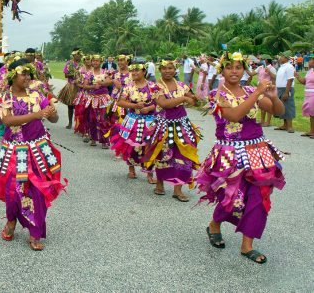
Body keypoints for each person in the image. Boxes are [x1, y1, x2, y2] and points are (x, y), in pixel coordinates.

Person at [197, 51, 285, 264]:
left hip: (257, 151)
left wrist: (273, 97)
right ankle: (214, 225)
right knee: (232, 197)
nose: (234, 71)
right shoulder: (216, 95)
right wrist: (257, 93)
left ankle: (247, 245)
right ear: (222, 70)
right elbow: (235, 115)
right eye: (229, 67)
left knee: (258, 196)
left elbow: (278, 112)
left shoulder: (249, 90)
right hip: (230, 153)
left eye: (238, 67)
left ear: (244, 70)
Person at [0, 58, 65, 251]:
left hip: (39, 149)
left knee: (38, 189)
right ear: (12, 76)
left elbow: (53, 119)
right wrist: (37, 115)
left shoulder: (36, 94)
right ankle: (11, 221)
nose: (28, 77)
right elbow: (8, 120)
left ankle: (35, 232)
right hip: (15, 151)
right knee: (13, 190)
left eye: (30, 74)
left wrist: (51, 112)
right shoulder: (4, 96)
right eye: (24, 74)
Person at [144, 60, 201, 201]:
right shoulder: (155, 86)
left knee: (184, 155)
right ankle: (160, 183)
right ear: (160, 70)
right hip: (163, 125)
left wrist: (195, 98)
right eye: (164, 68)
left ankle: (178, 189)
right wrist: (184, 98)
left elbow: (193, 101)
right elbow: (164, 104)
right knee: (163, 154)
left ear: (175, 70)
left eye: (170, 68)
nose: (168, 71)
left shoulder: (182, 85)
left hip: (182, 124)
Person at [110, 63, 159, 184]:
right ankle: (131, 169)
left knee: (149, 145)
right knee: (130, 145)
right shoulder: (128, 87)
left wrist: (149, 108)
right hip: (132, 119)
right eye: (132, 71)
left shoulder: (153, 86)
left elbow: (160, 102)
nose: (135, 73)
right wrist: (134, 105)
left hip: (150, 120)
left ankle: (149, 172)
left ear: (144, 71)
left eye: (137, 70)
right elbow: (120, 102)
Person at [80, 55, 113, 148]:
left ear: (100, 62)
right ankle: (93, 139)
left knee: (103, 119)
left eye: (97, 61)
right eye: (93, 61)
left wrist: (103, 83)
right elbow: (85, 86)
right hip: (92, 98)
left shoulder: (105, 72)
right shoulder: (89, 73)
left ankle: (104, 141)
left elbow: (111, 82)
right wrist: (93, 87)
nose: (95, 62)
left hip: (103, 98)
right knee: (92, 118)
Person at [58, 49, 81, 129]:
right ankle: (70, 122)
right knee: (70, 106)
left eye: (79, 54)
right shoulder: (69, 63)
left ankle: (79, 124)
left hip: (81, 87)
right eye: (76, 54)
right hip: (71, 86)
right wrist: (74, 73)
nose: (78, 56)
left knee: (80, 106)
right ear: (73, 55)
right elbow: (66, 75)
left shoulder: (83, 64)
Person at [274, 52, 296, 133]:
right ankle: (285, 124)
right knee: (282, 106)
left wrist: (286, 92)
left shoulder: (289, 67)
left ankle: (290, 126)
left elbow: (290, 79)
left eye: (282, 56)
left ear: (286, 58)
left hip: (286, 88)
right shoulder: (282, 67)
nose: (280, 58)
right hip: (280, 88)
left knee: (288, 106)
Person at [294, 56, 314, 138]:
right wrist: (298, 76)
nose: (308, 61)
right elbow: (304, 82)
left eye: (310, 60)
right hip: (308, 94)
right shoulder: (310, 71)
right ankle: (312, 131)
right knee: (311, 113)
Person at [255, 57, 277, 127]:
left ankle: (268, 121)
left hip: (268, 87)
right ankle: (262, 120)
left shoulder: (272, 68)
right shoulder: (261, 67)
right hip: (261, 87)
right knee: (262, 104)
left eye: (263, 59)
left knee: (268, 104)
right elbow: (252, 73)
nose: (262, 61)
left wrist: (269, 71)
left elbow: (274, 77)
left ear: (266, 60)